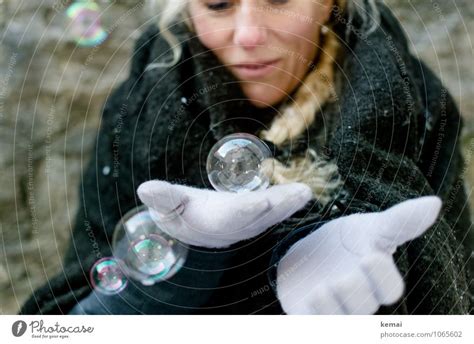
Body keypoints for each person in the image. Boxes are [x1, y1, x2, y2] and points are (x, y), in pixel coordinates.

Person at [21, 0, 472, 315]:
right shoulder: (140, 109)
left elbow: (449, 307)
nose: (250, 35)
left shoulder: (413, 105)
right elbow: (82, 317)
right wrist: (196, 255)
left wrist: (363, 277)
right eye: (218, 3)